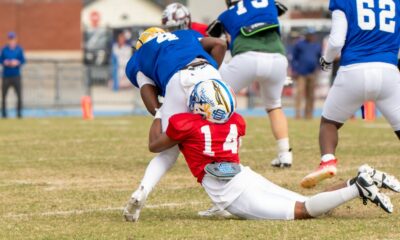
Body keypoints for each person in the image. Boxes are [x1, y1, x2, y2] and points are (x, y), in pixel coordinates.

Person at [127, 79, 400, 221]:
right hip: (244, 175)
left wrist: (161, 111)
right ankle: (358, 178)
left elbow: (155, 145)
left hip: (232, 192)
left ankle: (357, 188)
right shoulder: (236, 120)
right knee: (310, 204)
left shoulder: (184, 124)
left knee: (305, 210)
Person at [122, 27, 227, 222]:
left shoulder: (141, 55)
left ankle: (142, 191)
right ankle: (222, 201)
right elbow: (220, 44)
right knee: (222, 136)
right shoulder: (186, 34)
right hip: (209, 74)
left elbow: (147, 89)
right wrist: (212, 72)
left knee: (167, 151)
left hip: (178, 80)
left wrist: (159, 113)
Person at [301, 0, 400, 188]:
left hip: (354, 69)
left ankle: (328, 161)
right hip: (387, 69)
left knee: (329, 123)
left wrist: (326, 60)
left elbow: (337, 41)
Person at [207, 0, 293, 168]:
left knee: (220, 100)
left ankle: (228, 149)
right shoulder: (269, 2)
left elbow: (217, 38)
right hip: (277, 59)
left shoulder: (226, 15)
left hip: (246, 58)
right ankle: (285, 155)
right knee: (274, 106)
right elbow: (280, 9)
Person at [291, 29, 322, 119]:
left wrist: (318, 68)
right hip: (301, 73)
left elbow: (319, 57)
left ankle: (309, 114)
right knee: (299, 93)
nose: (311, 37)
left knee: (311, 95)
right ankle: (298, 114)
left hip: (312, 73)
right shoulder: (299, 44)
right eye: (309, 35)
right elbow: (294, 58)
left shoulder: (317, 46)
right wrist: (295, 69)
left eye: (312, 35)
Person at [0, 32, 26, 118]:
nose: (11, 41)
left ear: (15, 39)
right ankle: (4, 114)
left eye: (13, 39)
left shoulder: (19, 49)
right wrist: (5, 62)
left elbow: (23, 60)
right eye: (10, 39)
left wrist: (17, 62)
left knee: (19, 95)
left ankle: (19, 114)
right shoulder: (4, 49)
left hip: (16, 75)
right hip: (6, 76)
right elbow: (1, 60)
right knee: (4, 96)